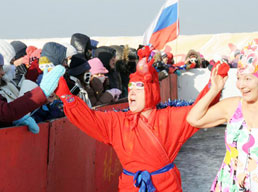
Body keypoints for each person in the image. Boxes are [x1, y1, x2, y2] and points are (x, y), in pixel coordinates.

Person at [54, 46, 229, 192]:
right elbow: (89, 119)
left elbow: (198, 111)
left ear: (151, 92)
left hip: (165, 186)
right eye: (130, 88)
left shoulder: (170, 118)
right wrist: (65, 95)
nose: (131, 93)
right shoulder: (118, 121)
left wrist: (213, 87)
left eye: (139, 88)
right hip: (131, 186)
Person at [187, 41, 258, 191]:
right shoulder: (232, 106)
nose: (241, 85)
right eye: (239, 78)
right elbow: (193, 119)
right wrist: (214, 90)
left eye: (247, 79)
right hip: (230, 185)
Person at [0, 52, 65, 129]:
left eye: (2, 68)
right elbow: (6, 112)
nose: (3, 72)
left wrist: (13, 121)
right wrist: (41, 93)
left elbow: (8, 110)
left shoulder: (8, 84)